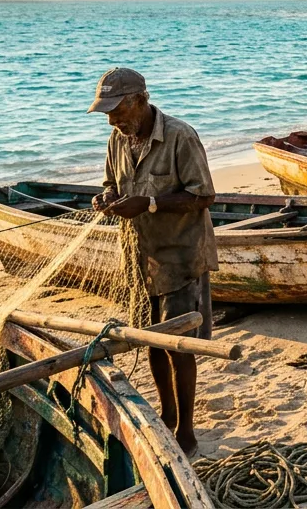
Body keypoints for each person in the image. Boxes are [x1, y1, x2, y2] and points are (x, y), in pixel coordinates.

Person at [88, 67, 218, 457]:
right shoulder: (117, 138)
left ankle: (188, 433)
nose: (112, 120)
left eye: (118, 110)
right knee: (151, 342)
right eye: (107, 112)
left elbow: (204, 195)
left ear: (141, 100)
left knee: (179, 345)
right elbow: (111, 182)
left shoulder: (180, 136)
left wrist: (150, 203)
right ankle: (166, 413)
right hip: (138, 258)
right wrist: (106, 197)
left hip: (179, 256)